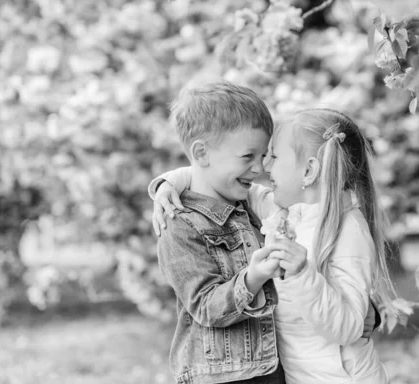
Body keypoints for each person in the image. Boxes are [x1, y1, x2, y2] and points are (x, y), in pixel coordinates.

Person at [152, 108, 398, 384]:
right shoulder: (283, 211)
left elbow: (349, 328)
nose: (264, 166)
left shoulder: (347, 229)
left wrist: (302, 274)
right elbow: (214, 175)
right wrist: (169, 183)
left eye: (274, 156)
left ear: (309, 171)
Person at [153, 81, 296, 384]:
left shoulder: (250, 206)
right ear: (202, 153)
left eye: (262, 156)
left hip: (269, 368)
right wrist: (253, 277)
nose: (259, 169)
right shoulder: (179, 224)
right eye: (247, 157)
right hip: (222, 376)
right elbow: (205, 306)